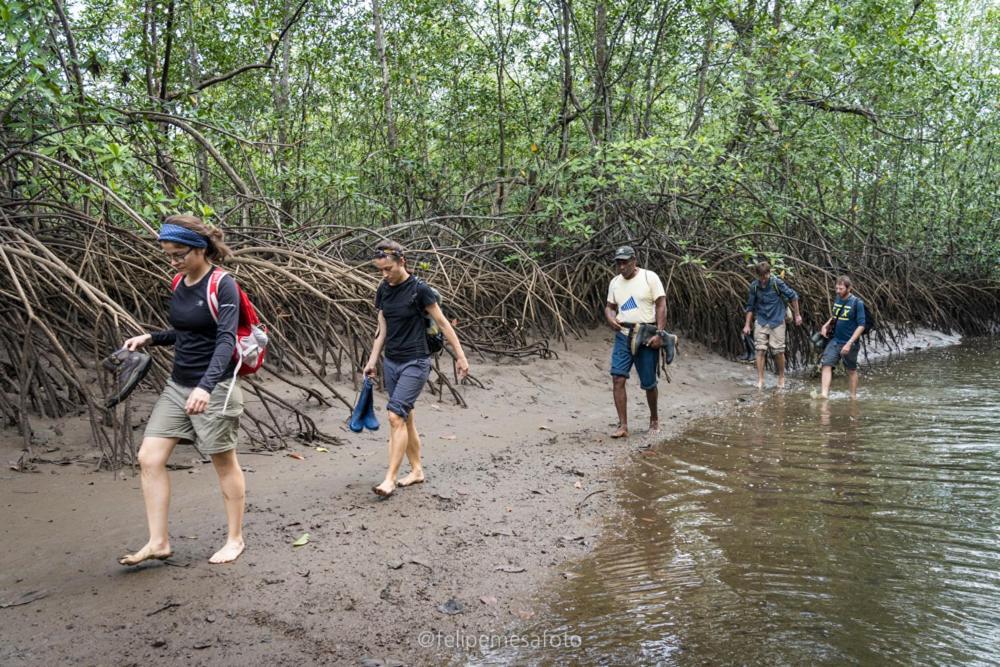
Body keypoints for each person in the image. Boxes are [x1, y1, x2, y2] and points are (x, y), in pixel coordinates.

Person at [118, 215, 247, 565]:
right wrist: (152, 337)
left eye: (179, 254)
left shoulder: (222, 284)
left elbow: (225, 339)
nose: (173, 261)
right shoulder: (179, 281)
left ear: (201, 249)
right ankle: (158, 541)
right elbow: (189, 332)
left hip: (215, 387)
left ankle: (235, 538)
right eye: (168, 255)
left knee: (223, 462)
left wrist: (206, 387)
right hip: (178, 385)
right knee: (149, 458)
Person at [363, 240, 469, 498]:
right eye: (381, 271)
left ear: (402, 262)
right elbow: (382, 329)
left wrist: (460, 356)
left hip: (416, 361)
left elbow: (443, 324)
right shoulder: (383, 289)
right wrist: (372, 360)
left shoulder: (420, 290)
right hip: (392, 361)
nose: (385, 275)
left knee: (394, 417)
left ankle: (390, 479)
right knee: (406, 418)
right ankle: (417, 471)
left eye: (388, 269)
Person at [605, 245, 667, 439]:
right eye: (618, 263)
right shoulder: (615, 282)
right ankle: (623, 425)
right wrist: (611, 318)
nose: (621, 267)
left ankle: (654, 419)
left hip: (646, 334)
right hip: (623, 334)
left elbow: (661, 304)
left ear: (634, 261)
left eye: (625, 262)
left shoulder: (650, 277)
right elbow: (610, 306)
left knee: (648, 382)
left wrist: (660, 333)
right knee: (617, 378)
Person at [742, 261, 803, 389]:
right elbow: (750, 307)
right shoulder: (754, 286)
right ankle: (760, 380)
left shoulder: (777, 283)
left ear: (769, 273)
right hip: (762, 320)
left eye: (765, 276)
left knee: (778, 351)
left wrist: (797, 315)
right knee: (760, 349)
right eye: (761, 277)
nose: (763, 279)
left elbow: (794, 296)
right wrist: (747, 325)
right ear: (757, 275)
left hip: (777, 319)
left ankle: (781, 377)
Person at [818, 275, 866, 399]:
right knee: (826, 364)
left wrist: (849, 343)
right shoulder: (838, 298)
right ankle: (824, 394)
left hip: (850, 343)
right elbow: (835, 315)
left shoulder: (857, 303)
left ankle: (853, 397)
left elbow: (861, 326)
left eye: (841, 289)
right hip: (835, 340)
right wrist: (826, 325)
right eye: (837, 288)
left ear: (849, 288)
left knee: (851, 370)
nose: (838, 291)